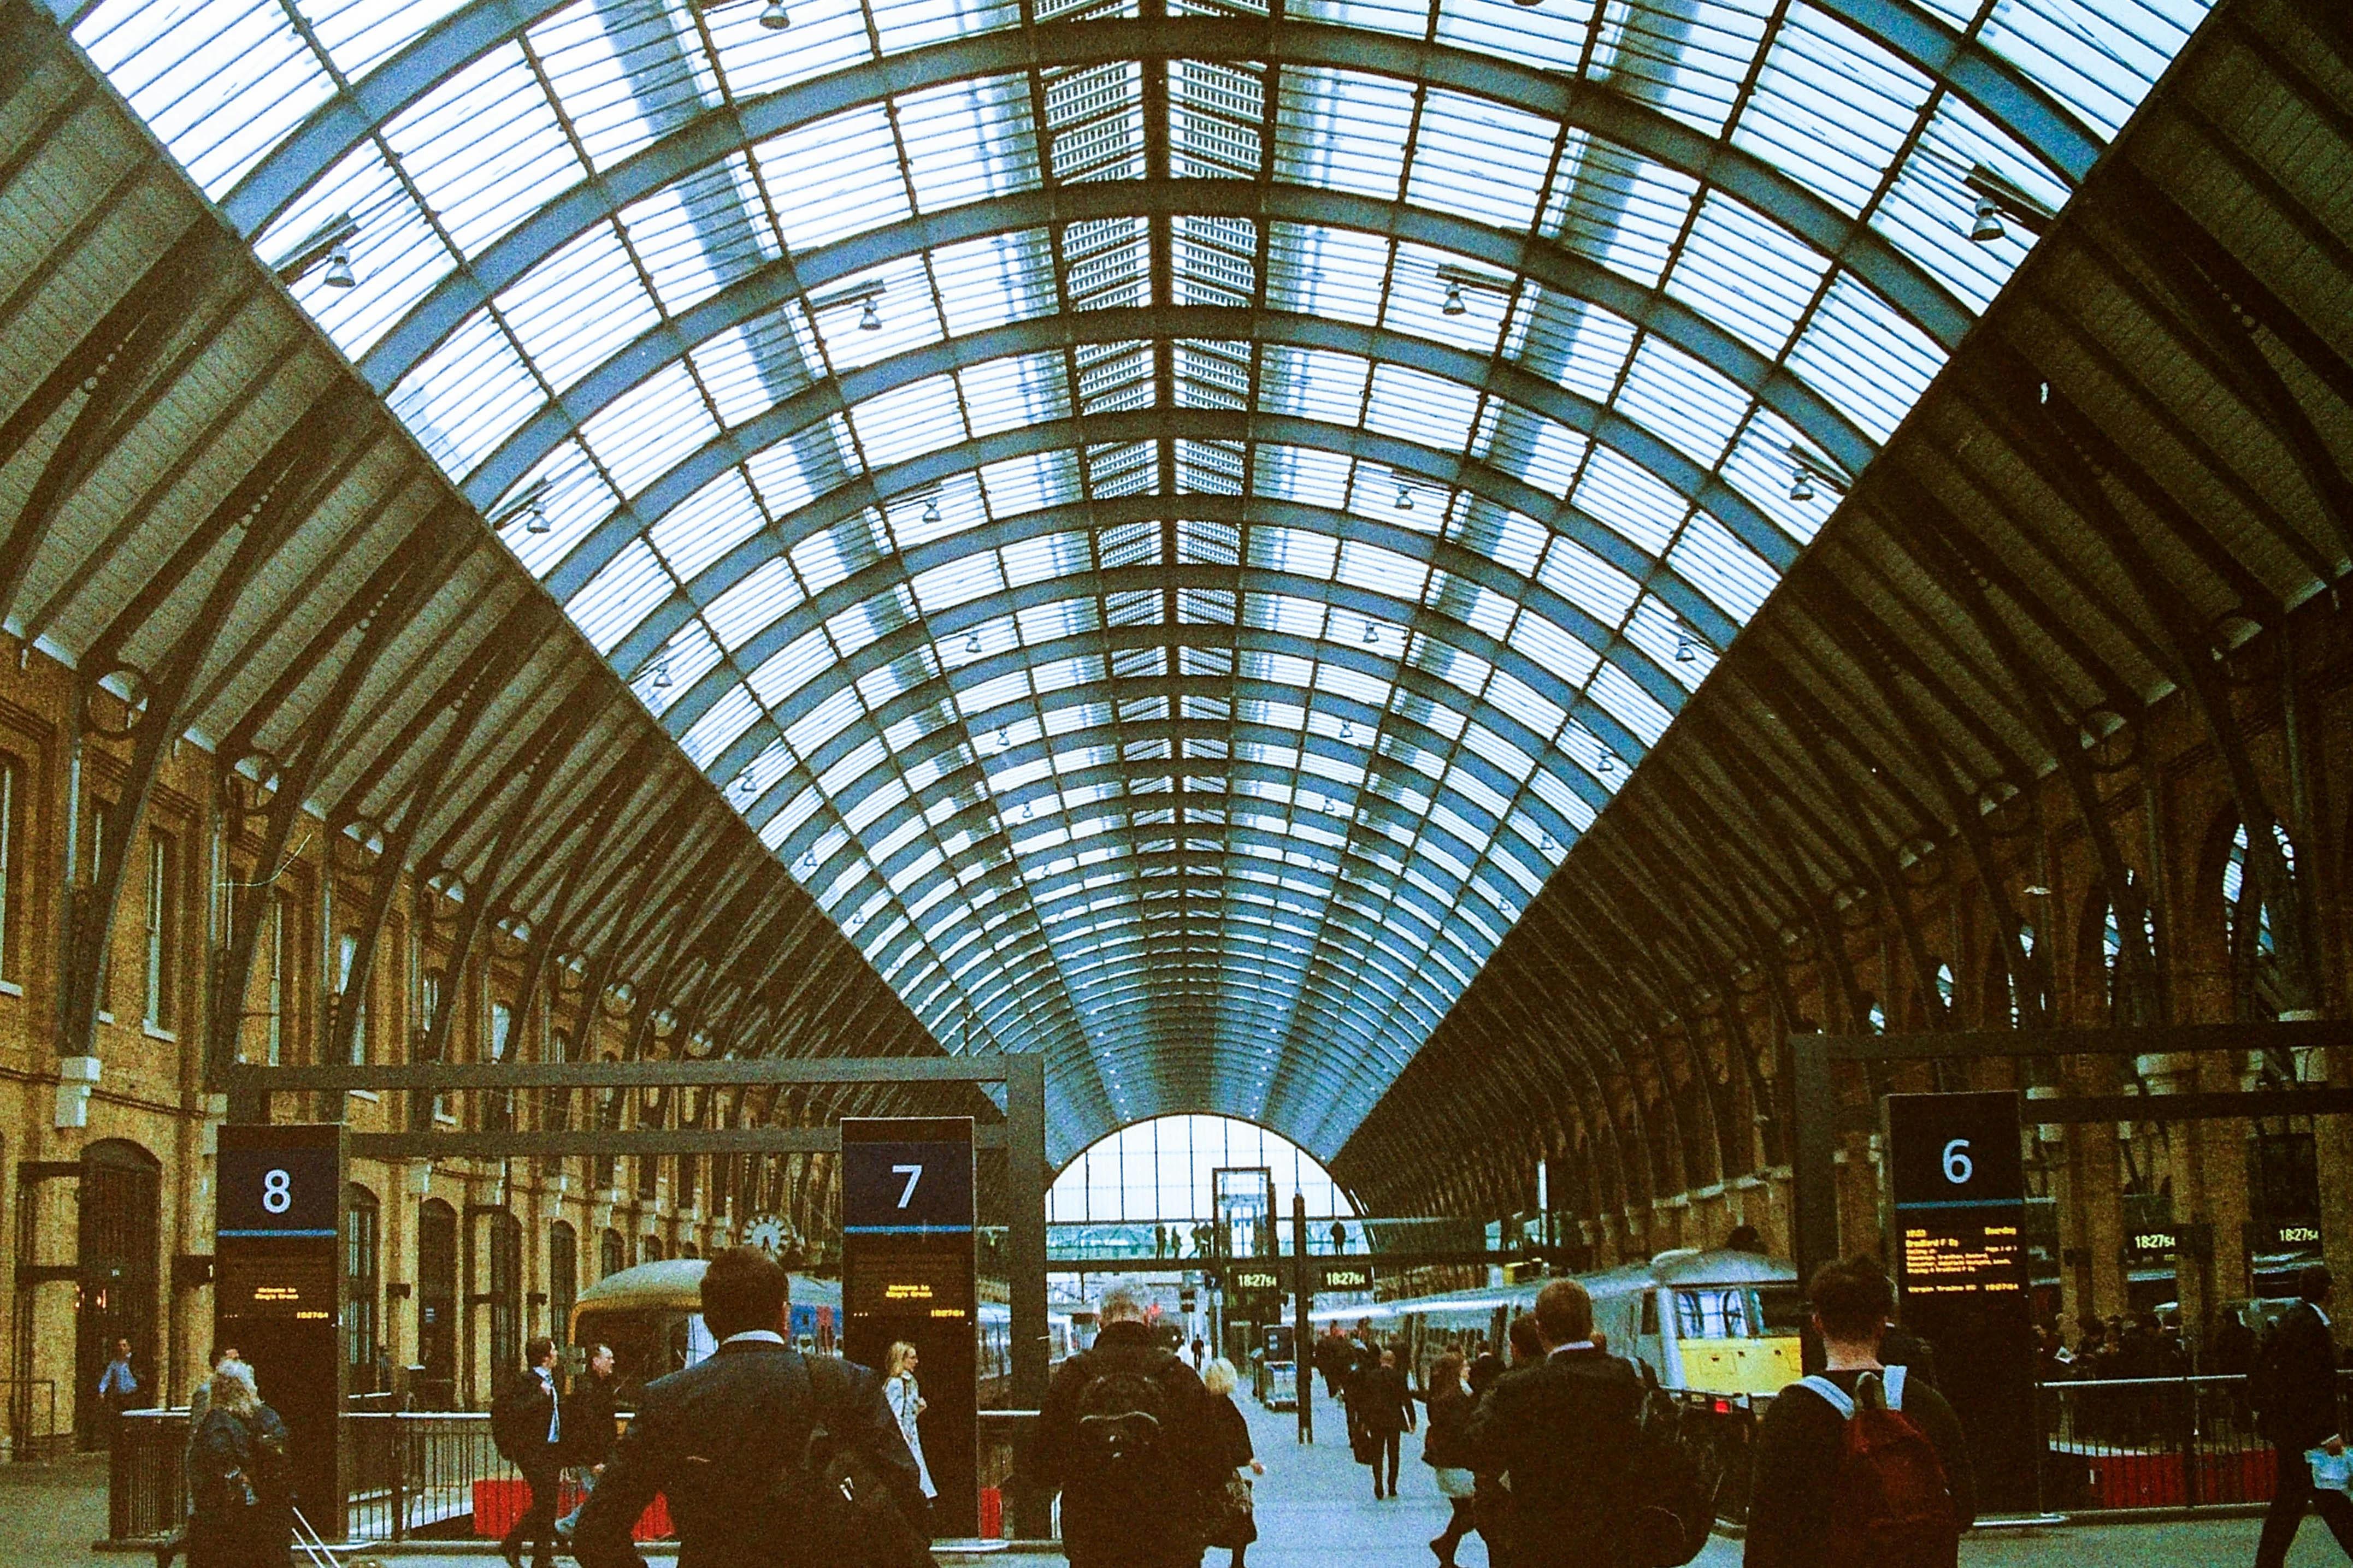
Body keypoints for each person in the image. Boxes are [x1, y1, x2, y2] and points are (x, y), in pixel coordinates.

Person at [574, 1247, 921, 1568]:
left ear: (710, 1321)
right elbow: (909, 1502)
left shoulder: (668, 1399)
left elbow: (595, 1533)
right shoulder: (848, 1384)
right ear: (783, 1315)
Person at [1744, 1256, 1975, 1568]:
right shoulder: (1928, 1404)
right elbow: (1963, 1510)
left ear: (1818, 1323)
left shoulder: (1791, 1411)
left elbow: (1766, 1530)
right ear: (1882, 1325)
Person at [1035, 1282, 1224, 1568]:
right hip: (1170, 1541)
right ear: (1148, 1318)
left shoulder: (1073, 1377)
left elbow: (1043, 1467)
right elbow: (1215, 1467)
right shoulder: (1178, 1377)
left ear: (1100, 1321)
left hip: (1094, 1542)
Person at [1464, 1279, 1649, 1567]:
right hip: (1616, 1540)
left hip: (1541, 1540)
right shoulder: (1628, 1377)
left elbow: (1480, 1449)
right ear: (1590, 1323)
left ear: (1540, 1330)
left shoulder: (1517, 1389)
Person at [2254, 1264, 2353, 1567]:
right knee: (2327, 1496)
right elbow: (2312, 1384)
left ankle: (2268, 1561)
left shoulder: (2291, 1319)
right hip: (2305, 1432)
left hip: (2289, 1429)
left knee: (2293, 1500)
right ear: (2327, 1289)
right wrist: (2327, 1433)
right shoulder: (2311, 1326)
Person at [185, 1358, 288, 1568]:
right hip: (226, 1524)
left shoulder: (227, 1422)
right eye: (251, 1388)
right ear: (239, 1391)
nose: (255, 1393)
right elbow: (224, 1471)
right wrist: (248, 1495)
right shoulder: (220, 1426)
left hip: (225, 1522)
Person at [155, 1348, 246, 1568]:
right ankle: (171, 1545)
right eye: (231, 1359)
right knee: (201, 1514)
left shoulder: (232, 1392)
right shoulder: (206, 1392)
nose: (237, 1363)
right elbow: (198, 1429)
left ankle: (172, 1545)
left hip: (216, 1459)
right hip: (205, 1463)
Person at [493, 1337, 565, 1568]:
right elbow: (510, 1412)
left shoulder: (555, 1380)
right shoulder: (525, 1382)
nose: (557, 1354)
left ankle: (542, 1557)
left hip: (551, 1448)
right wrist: (539, 1397)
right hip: (533, 1452)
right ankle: (513, 1542)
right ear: (544, 1357)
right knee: (544, 1501)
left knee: (549, 1503)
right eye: (553, 1351)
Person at [1200, 1357, 1263, 1568]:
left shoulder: (1204, 1405)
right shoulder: (1224, 1407)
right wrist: (1248, 1459)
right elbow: (1234, 1439)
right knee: (1241, 1512)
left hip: (1204, 1471)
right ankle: (1238, 1563)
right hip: (1222, 1471)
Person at [554, 1343, 620, 1544]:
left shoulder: (599, 1387)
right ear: (596, 1362)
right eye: (608, 1358)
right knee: (602, 1499)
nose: (612, 1362)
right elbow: (587, 1430)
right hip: (592, 1458)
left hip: (596, 1456)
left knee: (601, 1498)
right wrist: (594, 1461)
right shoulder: (589, 1391)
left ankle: (565, 1529)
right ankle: (563, 1528)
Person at [1420, 1351, 1476, 1566]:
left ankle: (1446, 1555)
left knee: (1464, 1512)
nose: (1469, 1370)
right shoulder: (1455, 1399)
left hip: (1449, 1464)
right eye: (1465, 1367)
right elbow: (1461, 1432)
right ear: (1456, 1372)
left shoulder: (1445, 1395)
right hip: (1457, 1464)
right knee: (1471, 1513)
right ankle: (1445, 1545)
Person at [882, 1341, 938, 1537]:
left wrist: (918, 1411)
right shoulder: (898, 1384)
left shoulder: (908, 1382)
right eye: (912, 1357)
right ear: (902, 1359)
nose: (916, 1361)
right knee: (916, 1485)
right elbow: (893, 1415)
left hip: (910, 1440)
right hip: (906, 1443)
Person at [1356, 1347, 1414, 1499]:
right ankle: (1392, 1486)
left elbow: (1364, 1401)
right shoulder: (1399, 1377)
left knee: (1378, 1454)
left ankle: (1378, 1484)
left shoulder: (1371, 1376)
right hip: (1394, 1421)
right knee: (1394, 1454)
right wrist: (1412, 1420)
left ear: (1381, 1361)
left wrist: (1363, 1421)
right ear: (1393, 1362)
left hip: (1375, 1421)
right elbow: (1407, 1399)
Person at [98, 1337, 140, 1446]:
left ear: (129, 1348)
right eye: (120, 1346)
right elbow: (107, 1377)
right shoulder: (115, 1363)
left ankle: (132, 1442)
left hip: (132, 1394)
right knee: (120, 1420)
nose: (121, 1348)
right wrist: (102, 1390)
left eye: (124, 1345)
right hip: (120, 1396)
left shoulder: (134, 1361)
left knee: (132, 1419)